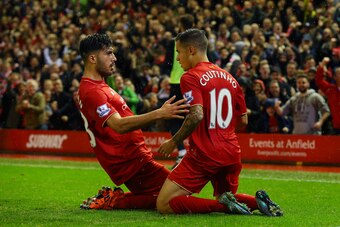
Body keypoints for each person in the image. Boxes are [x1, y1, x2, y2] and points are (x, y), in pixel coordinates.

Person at [156, 29, 283, 216]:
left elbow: (196, 114)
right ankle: (257, 203)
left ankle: (223, 207)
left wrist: (174, 141)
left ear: (191, 50)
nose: (177, 58)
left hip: (204, 154)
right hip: (231, 153)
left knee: (164, 204)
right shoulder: (230, 78)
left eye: (178, 52)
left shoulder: (190, 77)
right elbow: (243, 120)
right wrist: (223, 135)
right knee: (225, 195)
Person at [77, 33, 189, 210]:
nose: (114, 58)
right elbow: (119, 125)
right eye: (108, 53)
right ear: (92, 58)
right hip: (130, 161)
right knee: (178, 197)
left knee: (173, 195)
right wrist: (159, 113)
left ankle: (112, 198)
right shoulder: (92, 91)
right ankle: (114, 201)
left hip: (134, 158)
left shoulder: (99, 86)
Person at [163, 14, 195, 168]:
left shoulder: (175, 42)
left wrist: (165, 75)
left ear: (181, 25)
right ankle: (195, 152)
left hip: (177, 83)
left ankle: (182, 151)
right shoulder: (198, 42)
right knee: (195, 115)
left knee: (174, 118)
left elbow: (168, 62)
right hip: (195, 82)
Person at [315, 57, 340, 134]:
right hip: (336, 128)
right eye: (339, 73)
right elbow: (319, 80)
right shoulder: (330, 89)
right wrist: (322, 64)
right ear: (335, 77)